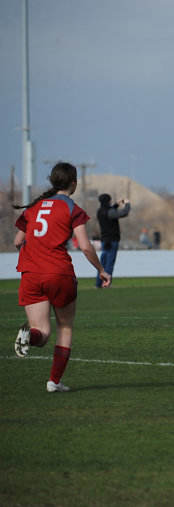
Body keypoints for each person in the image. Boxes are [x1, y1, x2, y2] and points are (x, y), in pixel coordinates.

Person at [12, 162, 112, 392]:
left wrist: (34, 257)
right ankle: (54, 382)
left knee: (41, 332)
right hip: (59, 273)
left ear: (53, 181)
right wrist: (101, 270)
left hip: (30, 274)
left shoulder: (33, 208)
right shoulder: (72, 208)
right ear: (73, 183)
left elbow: (18, 241)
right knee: (64, 327)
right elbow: (85, 246)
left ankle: (29, 337)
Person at [95, 192, 130, 288]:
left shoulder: (99, 211)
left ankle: (98, 284)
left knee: (102, 264)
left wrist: (116, 204)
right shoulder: (110, 211)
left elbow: (109, 210)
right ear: (108, 201)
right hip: (112, 240)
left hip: (104, 240)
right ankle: (106, 283)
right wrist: (127, 204)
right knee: (110, 262)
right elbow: (123, 213)